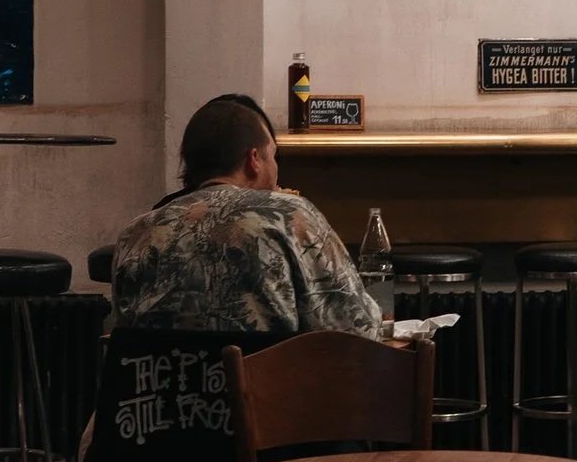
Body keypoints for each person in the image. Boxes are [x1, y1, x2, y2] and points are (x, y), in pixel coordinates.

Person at [108, 93, 378, 336]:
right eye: (273, 155)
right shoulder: (289, 214)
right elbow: (356, 329)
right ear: (254, 160)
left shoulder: (135, 234)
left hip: (162, 389)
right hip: (265, 389)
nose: (276, 166)